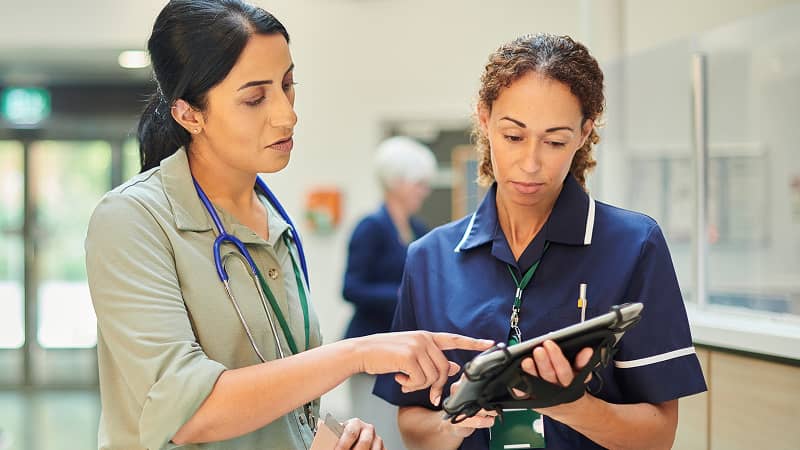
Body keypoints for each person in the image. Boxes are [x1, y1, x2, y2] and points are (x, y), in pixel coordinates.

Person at [84, 2, 491, 449]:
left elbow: (285, 403)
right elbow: (188, 412)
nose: (287, 114)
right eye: (255, 98)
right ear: (189, 114)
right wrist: (358, 353)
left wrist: (328, 437)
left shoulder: (274, 220)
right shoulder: (132, 220)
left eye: (287, 85)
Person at [374, 33, 707, 450]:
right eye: (513, 136)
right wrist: (452, 426)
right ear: (484, 119)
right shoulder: (430, 258)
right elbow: (412, 420)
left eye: (554, 141)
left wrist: (568, 405)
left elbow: (657, 436)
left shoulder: (634, 246)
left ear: (585, 133)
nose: (530, 164)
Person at [342, 136, 437, 449]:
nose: (424, 191)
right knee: (374, 435)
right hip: (369, 350)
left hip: (404, 355)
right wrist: (400, 295)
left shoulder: (419, 229)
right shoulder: (370, 227)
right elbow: (351, 288)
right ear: (396, 181)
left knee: (400, 438)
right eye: (418, 183)